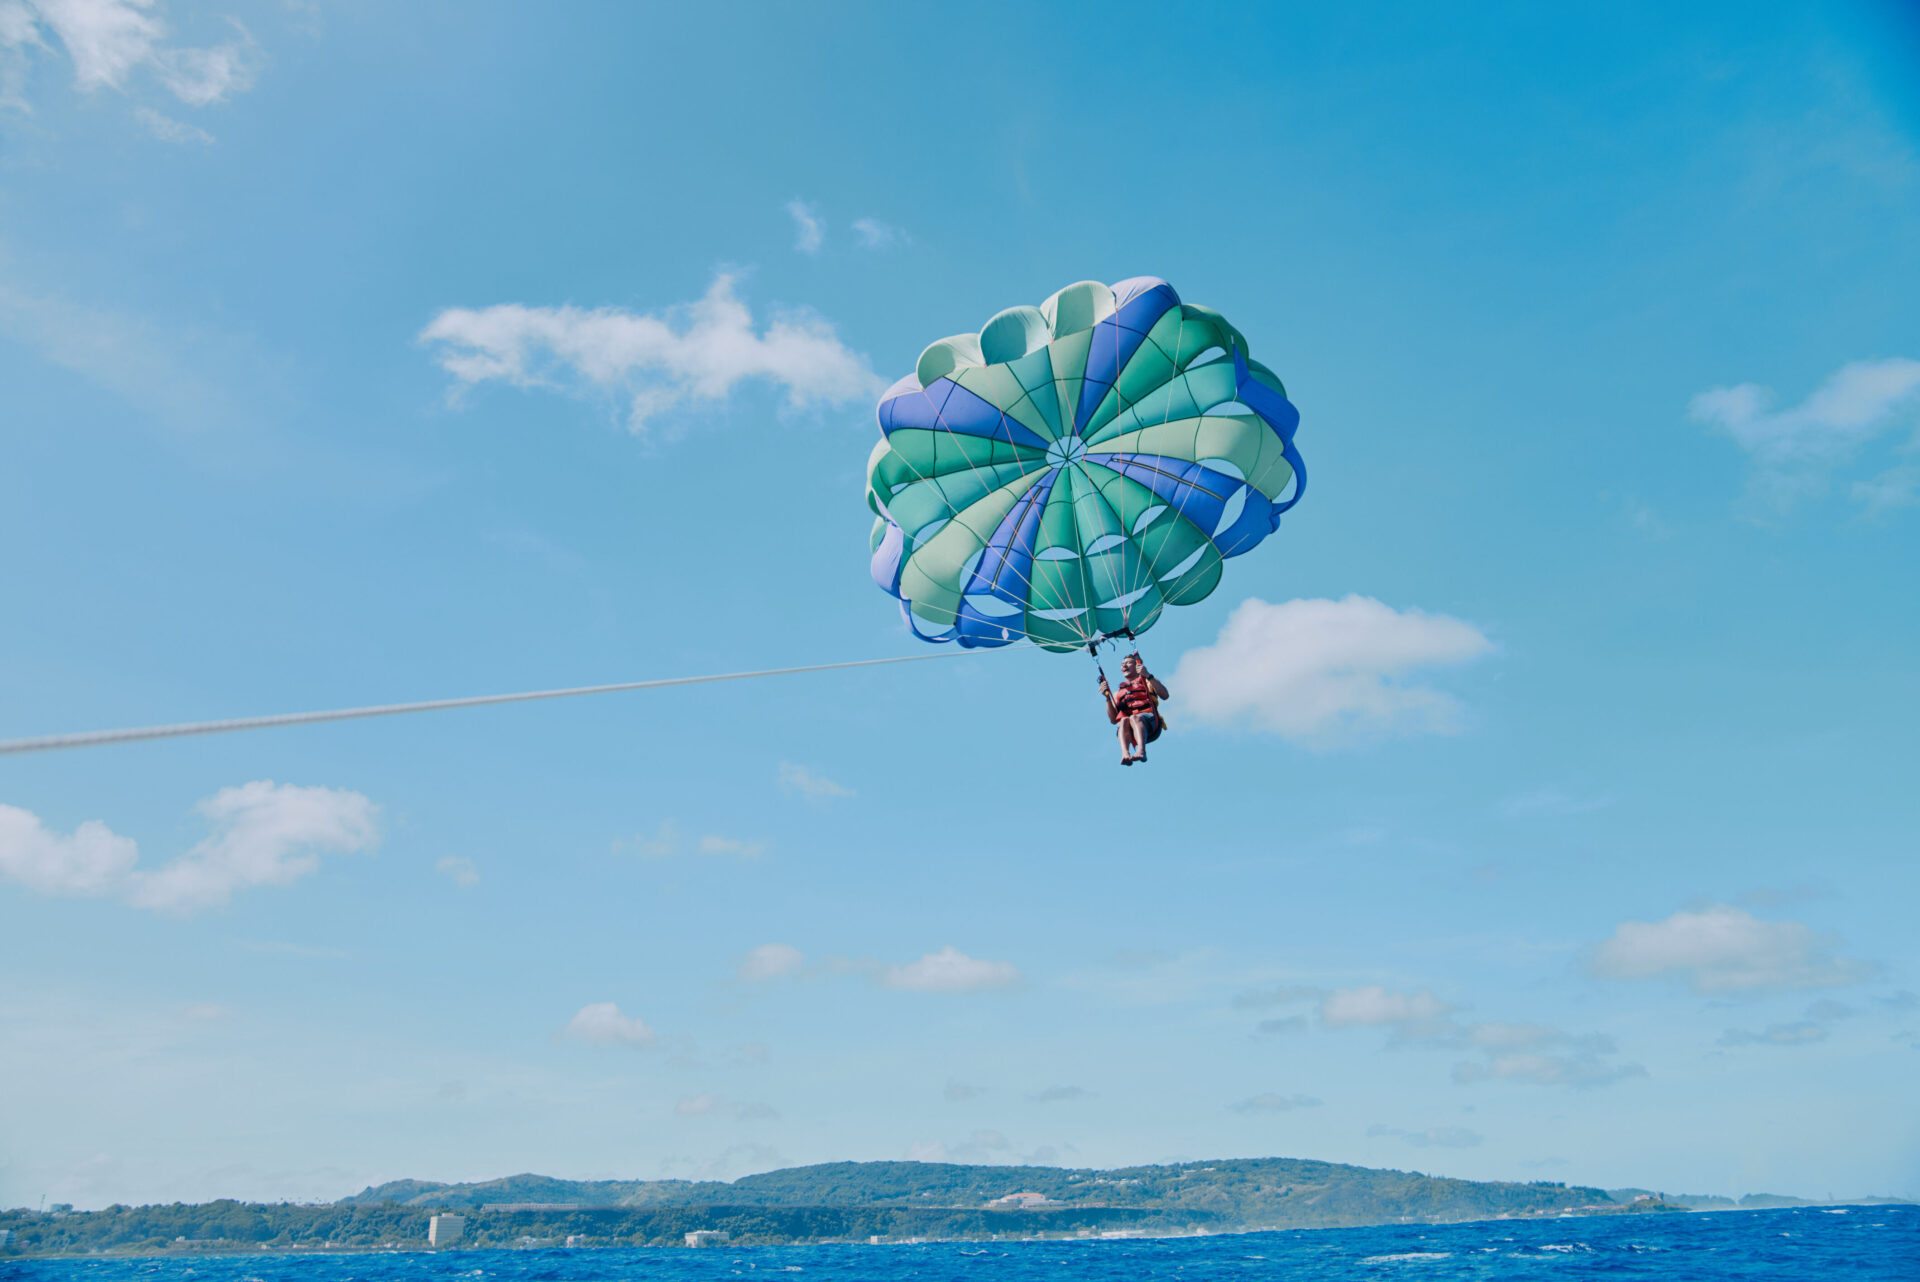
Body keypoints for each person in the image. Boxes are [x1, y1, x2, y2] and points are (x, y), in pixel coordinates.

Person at [1099, 653, 1169, 765]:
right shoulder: (1118, 693)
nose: (1124, 666)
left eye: (1128, 663)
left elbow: (1165, 695)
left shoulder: (1148, 681)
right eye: (1122, 664)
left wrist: (1148, 675)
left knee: (1135, 718)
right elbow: (1113, 720)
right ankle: (1125, 754)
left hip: (1151, 725)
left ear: (1137, 665)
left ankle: (1141, 751)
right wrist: (1107, 697)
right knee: (1123, 721)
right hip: (1129, 730)